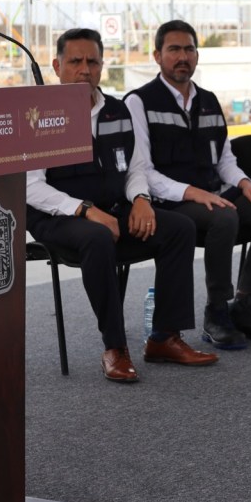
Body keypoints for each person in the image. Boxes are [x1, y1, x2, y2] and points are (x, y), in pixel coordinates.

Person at [26, 29, 216, 381]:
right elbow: (30, 187)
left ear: (102, 66)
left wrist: (141, 199)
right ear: (56, 66)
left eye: (93, 61)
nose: (85, 69)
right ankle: (115, 347)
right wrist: (85, 210)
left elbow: (134, 168)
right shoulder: (36, 114)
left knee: (178, 228)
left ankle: (164, 338)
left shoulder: (117, 110)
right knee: (97, 237)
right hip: (58, 217)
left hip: (111, 208)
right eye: (75, 61)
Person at [125, 20, 251, 349]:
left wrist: (245, 183)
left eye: (189, 49)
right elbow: (142, 170)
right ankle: (216, 312)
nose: (182, 57)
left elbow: (224, 159)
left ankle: (245, 303)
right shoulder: (139, 102)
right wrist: (191, 192)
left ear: (197, 56)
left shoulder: (210, 101)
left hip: (212, 195)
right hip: (171, 202)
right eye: (174, 49)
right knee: (223, 216)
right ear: (157, 56)